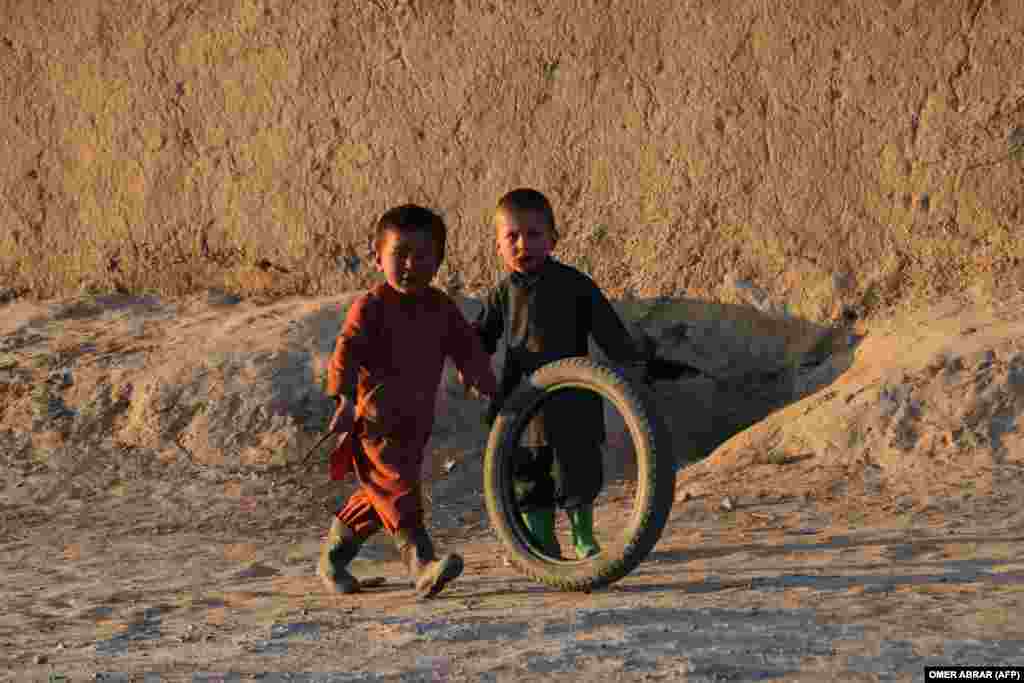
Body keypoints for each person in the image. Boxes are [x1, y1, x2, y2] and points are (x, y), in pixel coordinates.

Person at [318, 204, 498, 598]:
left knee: (378, 497)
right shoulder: (371, 307)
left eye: (423, 256)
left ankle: (332, 558)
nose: (411, 265)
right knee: (400, 492)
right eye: (401, 254)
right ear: (377, 255)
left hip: (415, 426)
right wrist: (345, 401)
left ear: (438, 261)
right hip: (376, 427)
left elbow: (464, 345)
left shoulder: (440, 307)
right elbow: (345, 351)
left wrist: (480, 379)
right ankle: (421, 564)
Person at [467, 188, 652, 560]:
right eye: (512, 237)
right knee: (528, 476)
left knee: (577, 471)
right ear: (499, 246)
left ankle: (583, 537)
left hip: (573, 399)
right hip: (522, 403)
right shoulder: (501, 293)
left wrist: (631, 362)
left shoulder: (574, 284)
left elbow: (607, 328)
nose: (523, 244)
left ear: (553, 239)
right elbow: (481, 337)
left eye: (534, 235)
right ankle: (542, 542)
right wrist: (471, 366)